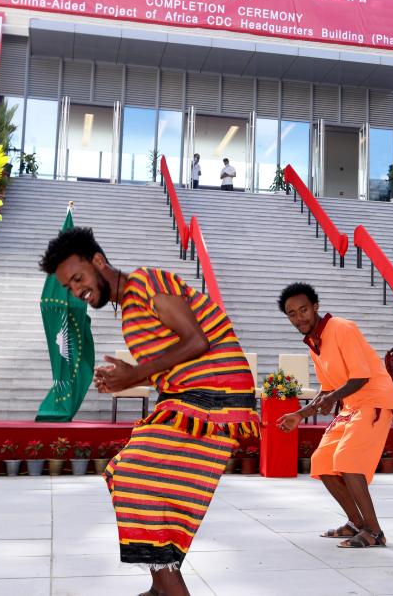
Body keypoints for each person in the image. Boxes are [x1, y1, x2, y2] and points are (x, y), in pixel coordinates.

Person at [39, 227, 259, 596]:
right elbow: (168, 364)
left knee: (132, 478)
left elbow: (197, 340)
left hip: (214, 395)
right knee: (122, 474)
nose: (77, 291)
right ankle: (160, 583)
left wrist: (135, 373)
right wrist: (127, 378)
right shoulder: (130, 313)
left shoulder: (145, 282)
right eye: (69, 287)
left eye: (78, 279)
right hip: (187, 398)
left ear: (98, 261)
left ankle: (170, 588)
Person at [275, 282, 393, 549]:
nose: (299, 318)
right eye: (292, 314)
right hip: (351, 406)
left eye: (303, 310)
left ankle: (374, 531)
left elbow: (361, 376)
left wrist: (331, 399)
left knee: (347, 460)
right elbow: (328, 388)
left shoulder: (341, 328)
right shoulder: (314, 344)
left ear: (315, 307)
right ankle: (356, 523)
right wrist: (300, 414)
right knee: (322, 461)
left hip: (375, 400)